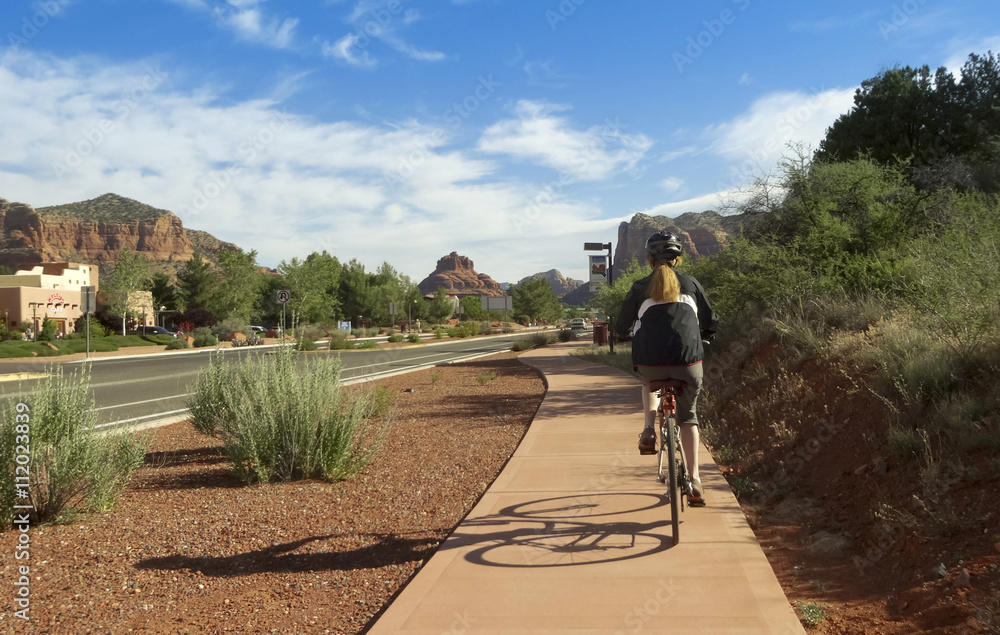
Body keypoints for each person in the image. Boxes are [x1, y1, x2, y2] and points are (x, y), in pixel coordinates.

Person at [616, 230, 718, 505]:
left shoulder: (639, 287)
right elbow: (711, 318)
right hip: (688, 363)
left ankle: (649, 428)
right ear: (678, 258)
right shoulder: (691, 283)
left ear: (649, 258)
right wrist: (708, 333)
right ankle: (695, 480)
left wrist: (624, 334)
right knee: (689, 417)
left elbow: (622, 323)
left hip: (650, 364)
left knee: (648, 383)